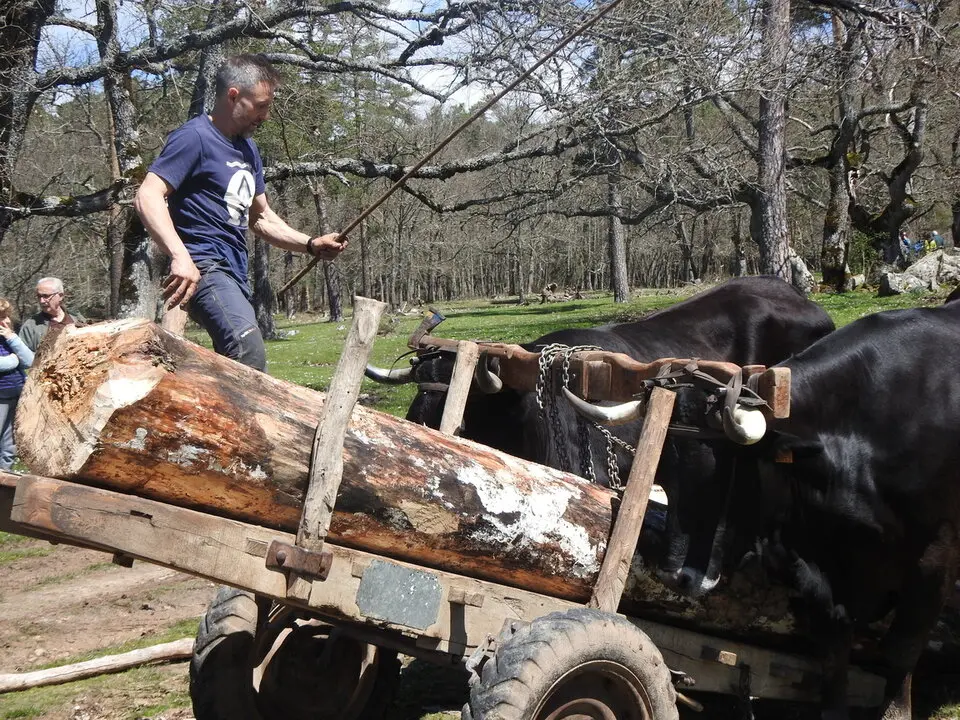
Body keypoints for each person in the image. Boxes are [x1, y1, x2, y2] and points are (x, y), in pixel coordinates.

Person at [135, 54, 348, 371]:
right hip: (205, 267)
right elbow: (148, 194)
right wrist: (180, 256)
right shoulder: (195, 137)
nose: (266, 116)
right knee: (246, 349)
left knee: (233, 366)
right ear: (234, 96)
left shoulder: (248, 149)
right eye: (260, 106)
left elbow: (260, 217)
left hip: (235, 273)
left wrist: (311, 244)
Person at [0, 298, 34, 471]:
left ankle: (5, 475)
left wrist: (12, 337)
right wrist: (14, 360)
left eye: (6, 316)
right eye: (1, 317)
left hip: (15, 396)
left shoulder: (8, 339)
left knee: (9, 444)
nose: (6, 321)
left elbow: (29, 360)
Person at [19, 277, 87, 353]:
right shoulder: (31, 326)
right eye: (39, 296)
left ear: (60, 296)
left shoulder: (78, 319)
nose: (41, 301)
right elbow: (24, 355)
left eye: (46, 296)